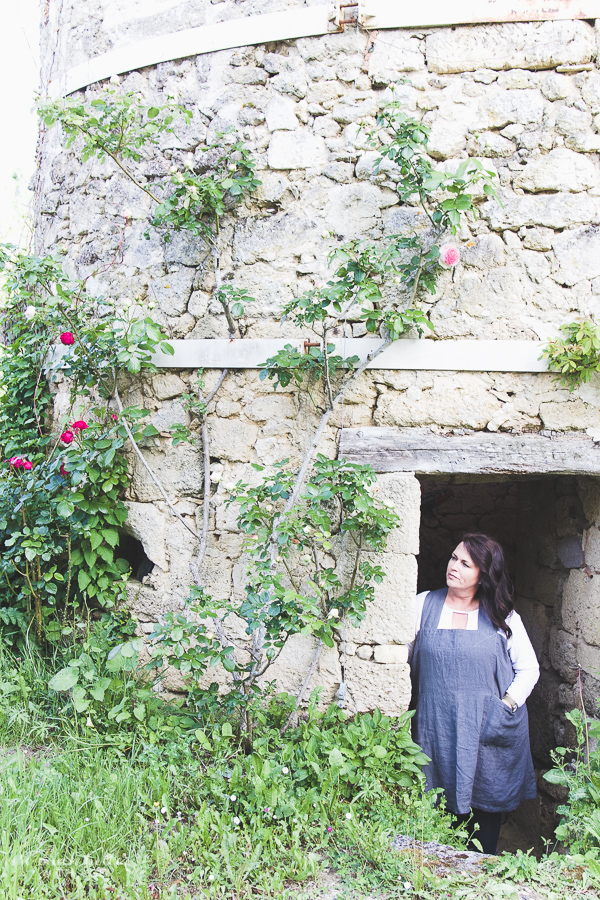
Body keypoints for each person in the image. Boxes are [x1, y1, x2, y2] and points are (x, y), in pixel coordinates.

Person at [409, 533, 540, 855]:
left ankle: (484, 871)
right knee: (435, 805)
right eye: (454, 558)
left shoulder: (503, 616)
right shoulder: (423, 604)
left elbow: (529, 669)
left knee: (485, 806)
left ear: (484, 574)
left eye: (466, 563)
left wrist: (505, 705)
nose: (454, 566)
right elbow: (403, 658)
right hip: (434, 728)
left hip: (485, 727)